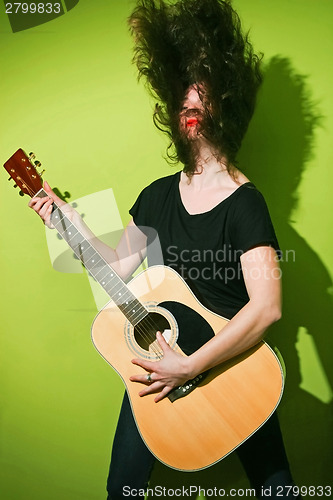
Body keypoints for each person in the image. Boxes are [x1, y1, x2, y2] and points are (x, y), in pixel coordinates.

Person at [29, 1, 301, 498]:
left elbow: (267, 308)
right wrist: (70, 224)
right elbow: (115, 266)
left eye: (203, 91)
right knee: (121, 489)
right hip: (160, 363)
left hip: (234, 368)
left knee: (276, 488)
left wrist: (193, 365)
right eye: (182, 94)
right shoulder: (156, 196)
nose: (189, 101)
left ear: (226, 99)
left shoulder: (246, 204)